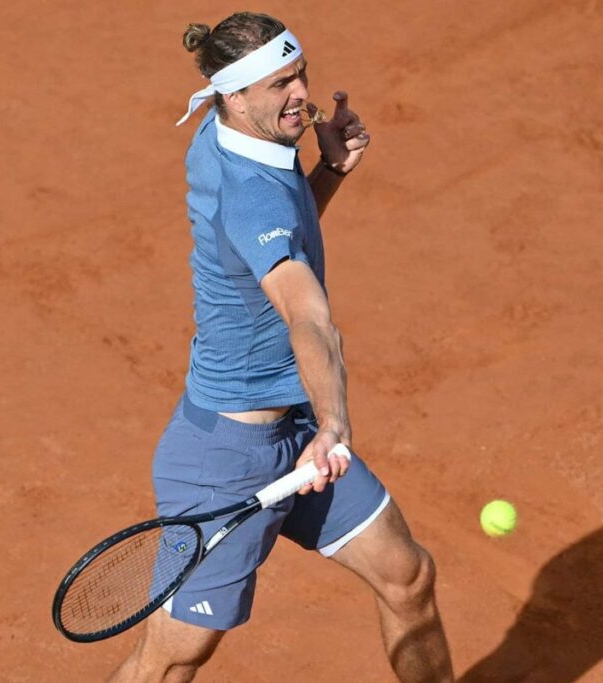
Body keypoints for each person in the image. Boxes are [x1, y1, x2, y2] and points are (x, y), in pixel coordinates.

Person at [108, 12, 453, 683]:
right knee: (172, 659)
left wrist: (329, 170)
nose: (301, 94)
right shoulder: (251, 194)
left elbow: (275, 247)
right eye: (279, 85)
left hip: (289, 430)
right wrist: (333, 425)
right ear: (233, 96)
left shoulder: (235, 139)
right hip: (224, 462)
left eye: (300, 75)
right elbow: (308, 316)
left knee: (407, 577)